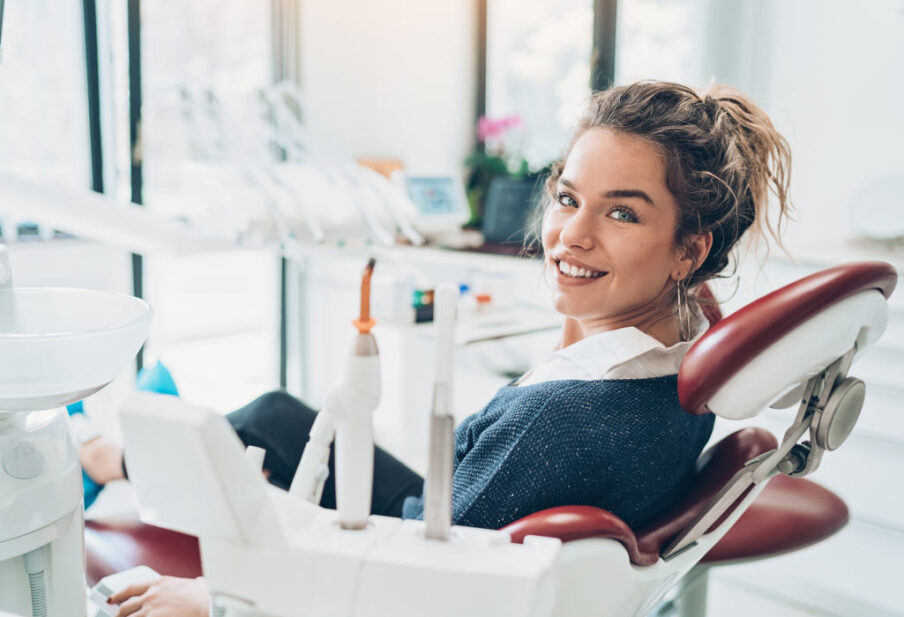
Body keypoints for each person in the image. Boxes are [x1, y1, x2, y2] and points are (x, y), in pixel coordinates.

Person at [81, 80, 791, 616]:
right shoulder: (689, 347)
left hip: (414, 545)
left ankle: (102, 459)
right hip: (453, 509)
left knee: (251, 431)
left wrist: (216, 597)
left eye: (622, 212)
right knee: (272, 413)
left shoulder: (565, 422)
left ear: (688, 249)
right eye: (569, 197)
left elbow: (417, 584)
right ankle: (115, 454)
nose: (571, 234)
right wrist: (583, 315)